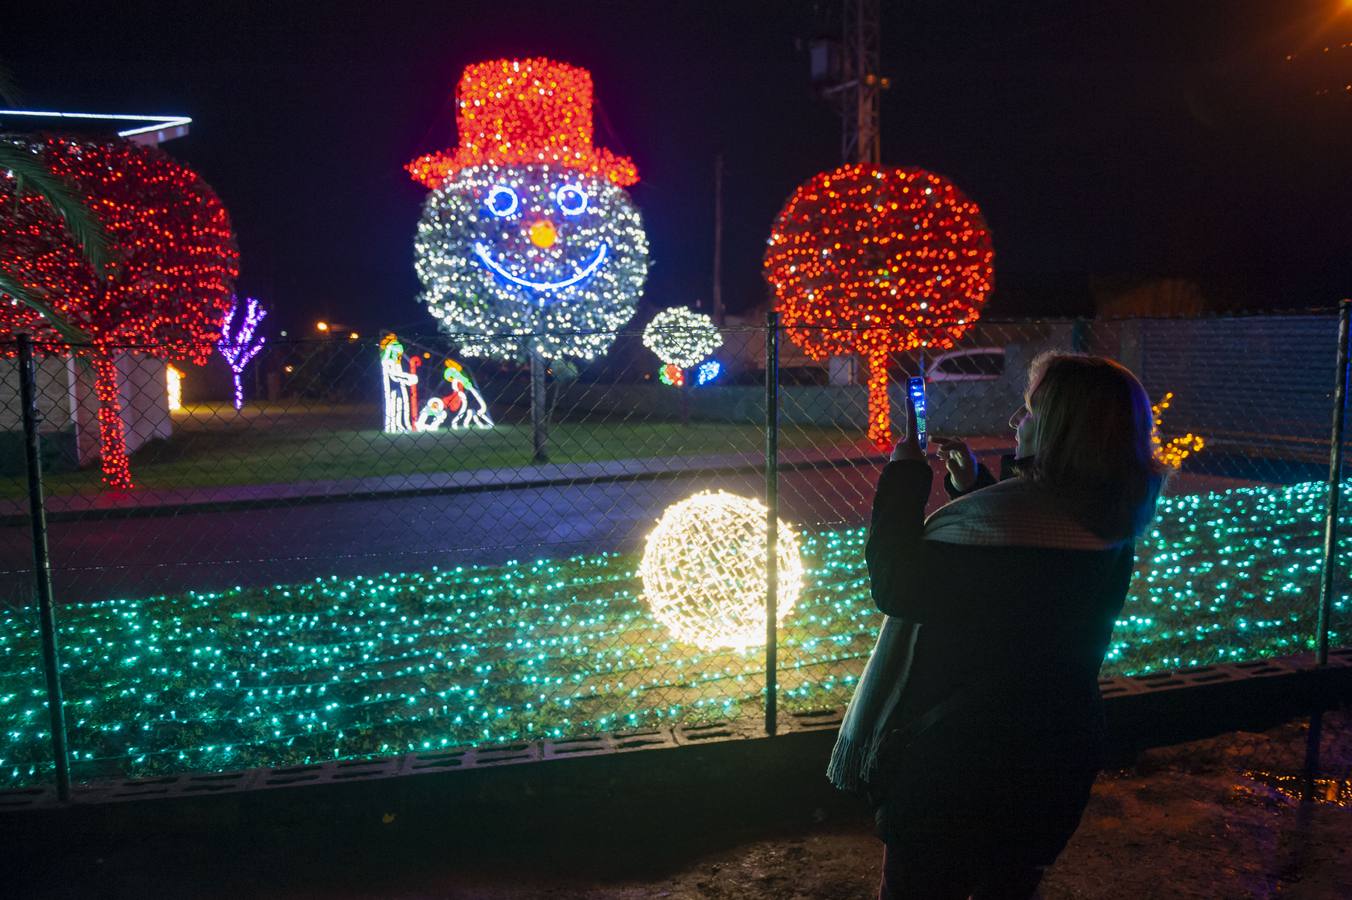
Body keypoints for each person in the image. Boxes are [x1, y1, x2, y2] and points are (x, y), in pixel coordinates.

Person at [826, 352, 1166, 899]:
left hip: (956, 765)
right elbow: (1024, 583)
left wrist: (906, 473)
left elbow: (896, 585)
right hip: (1056, 759)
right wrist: (976, 486)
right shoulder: (1110, 525)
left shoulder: (998, 525)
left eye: (1029, 411)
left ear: (1060, 428)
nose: (1016, 422)